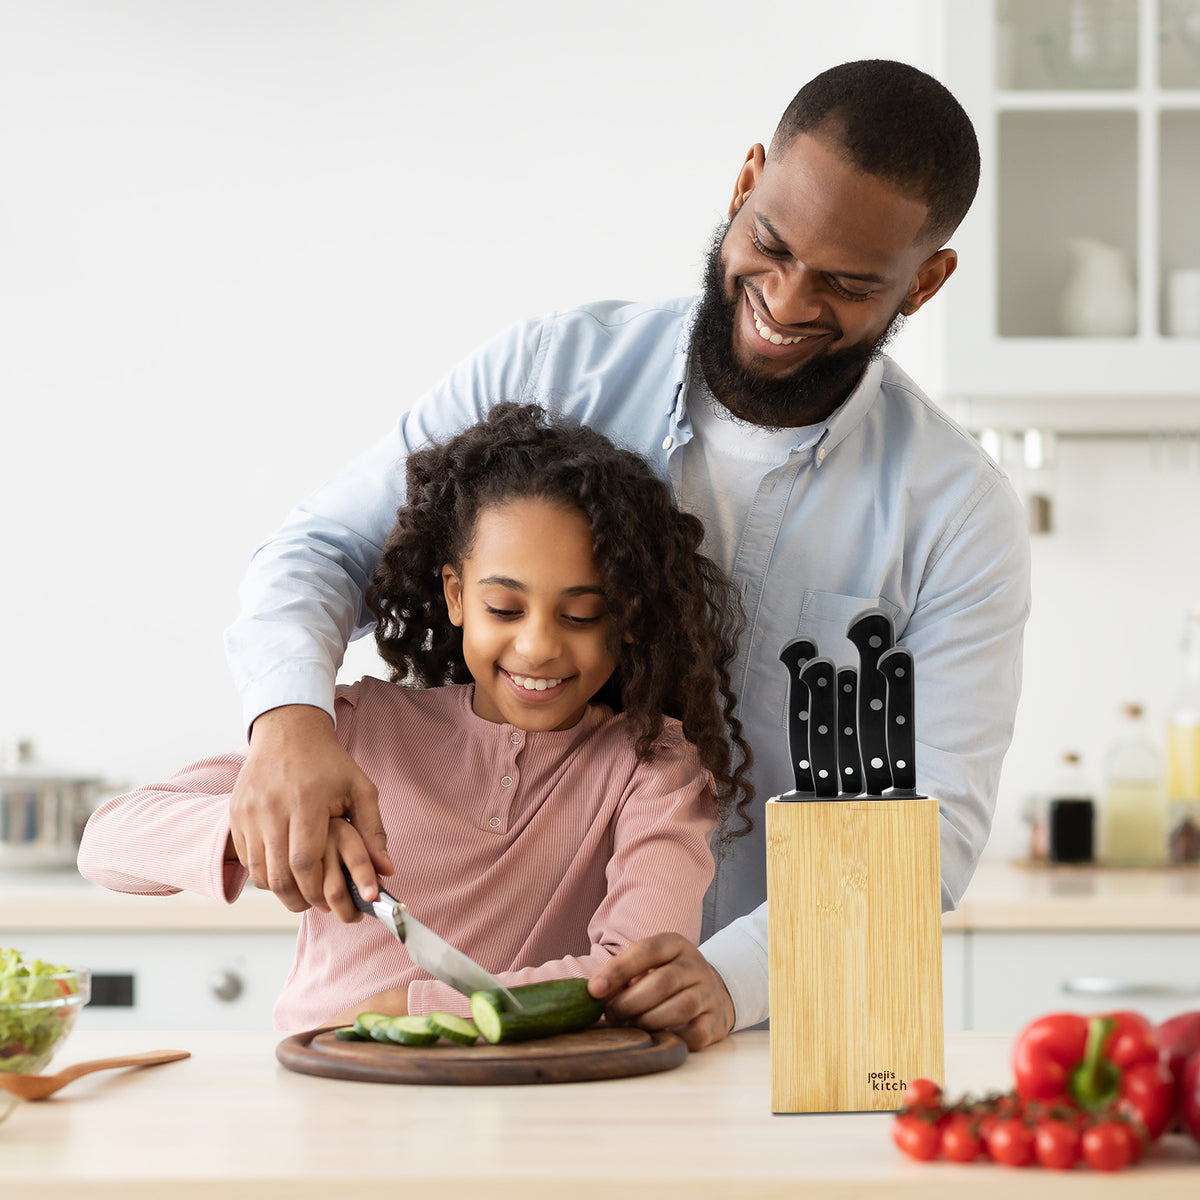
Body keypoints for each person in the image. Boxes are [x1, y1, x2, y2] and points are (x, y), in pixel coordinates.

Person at [223, 60, 1032, 1047]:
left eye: (848, 284)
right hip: (529, 999)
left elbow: (930, 824)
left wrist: (732, 979)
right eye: (768, 245)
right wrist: (290, 721)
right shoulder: (551, 366)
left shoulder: (958, 512)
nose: (784, 300)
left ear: (927, 280)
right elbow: (321, 547)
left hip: (789, 1023)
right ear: (744, 184)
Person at [78, 404, 754, 1029]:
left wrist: (414, 1004)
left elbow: (638, 969)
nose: (539, 646)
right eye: (504, 609)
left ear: (630, 616)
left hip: (535, 1111)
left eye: (581, 614)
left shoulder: (654, 767)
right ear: (457, 597)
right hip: (328, 1106)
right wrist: (270, 828)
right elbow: (108, 843)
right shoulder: (356, 728)